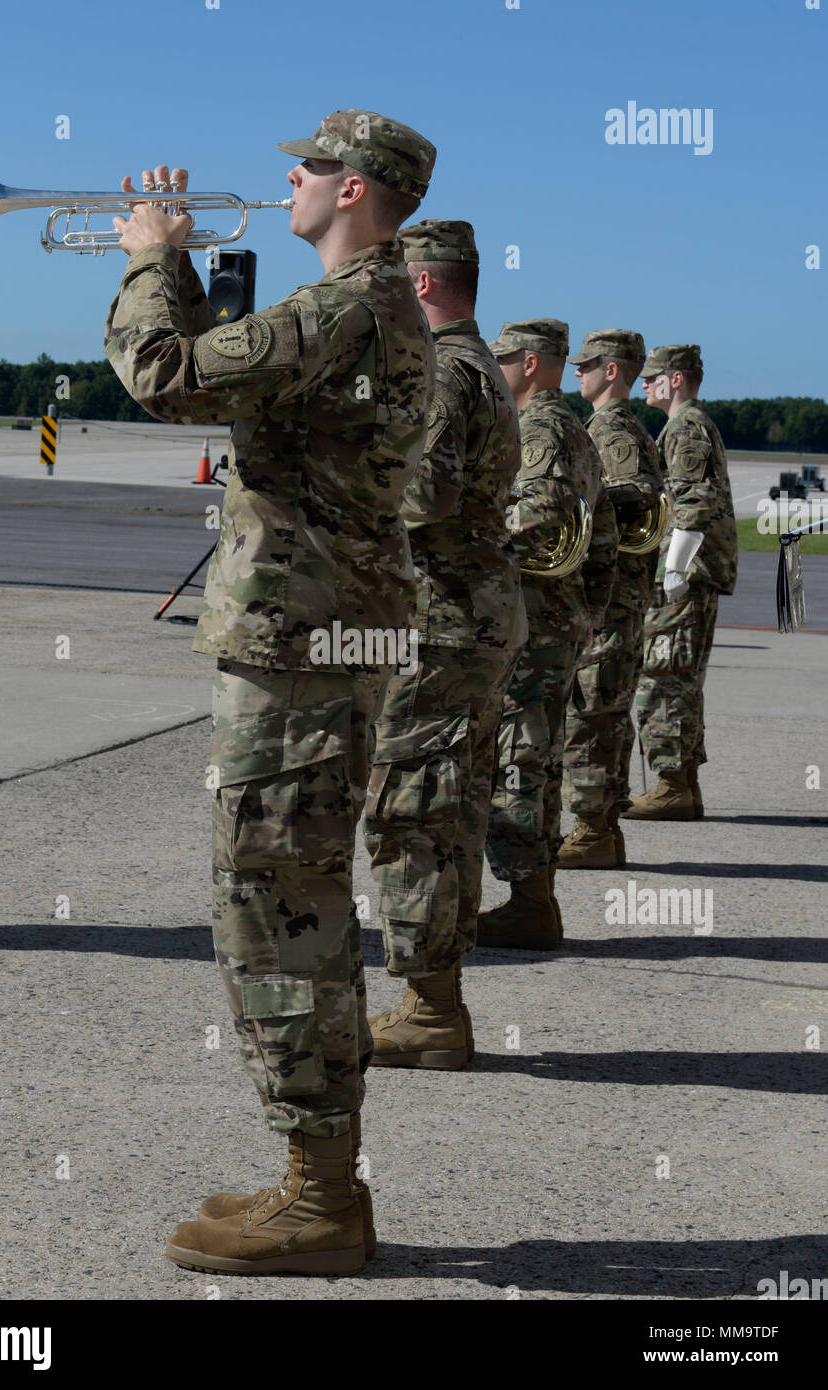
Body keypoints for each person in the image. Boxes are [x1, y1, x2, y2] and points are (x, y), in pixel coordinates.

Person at [103, 109, 436, 1275]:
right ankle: (316, 1180)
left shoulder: (345, 307)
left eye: (313, 164)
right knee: (297, 908)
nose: (290, 175)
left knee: (272, 916)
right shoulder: (362, 311)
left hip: (301, 649)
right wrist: (181, 266)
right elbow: (229, 396)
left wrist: (150, 254)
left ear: (358, 191)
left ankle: (320, 1198)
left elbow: (165, 376)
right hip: (317, 640)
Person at [361, 220, 526, 1069]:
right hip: (472, 612)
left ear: (421, 285)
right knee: (453, 804)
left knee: (412, 809)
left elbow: (417, 499)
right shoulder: (477, 370)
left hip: (442, 618)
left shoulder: (444, 373)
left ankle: (429, 1009)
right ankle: (437, 1000)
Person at [477, 320, 618, 950]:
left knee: (519, 760)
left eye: (503, 357)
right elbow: (608, 539)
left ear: (531, 363)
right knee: (531, 756)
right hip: (549, 621)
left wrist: (461, 535)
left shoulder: (543, 430)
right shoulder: (570, 431)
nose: (495, 366)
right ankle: (531, 897)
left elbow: (535, 520)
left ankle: (529, 901)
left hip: (532, 624)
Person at [558, 330, 666, 867]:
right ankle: (601, 826)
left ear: (613, 371)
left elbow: (636, 503)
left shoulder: (614, 434)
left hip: (609, 598)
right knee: (603, 709)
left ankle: (593, 830)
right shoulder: (610, 427)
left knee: (593, 711)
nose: (577, 373)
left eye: (587, 366)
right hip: (615, 598)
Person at [623, 344, 737, 820]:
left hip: (686, 577)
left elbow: (693, 500)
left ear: (675, 379)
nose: (645, 384)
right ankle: (683, 782)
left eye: (652, 377)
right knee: (683, 679)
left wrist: (674, 567)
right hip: (698, 575)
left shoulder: (685, 427)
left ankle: (671, 783)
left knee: (662, 678)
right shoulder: (690, 423)